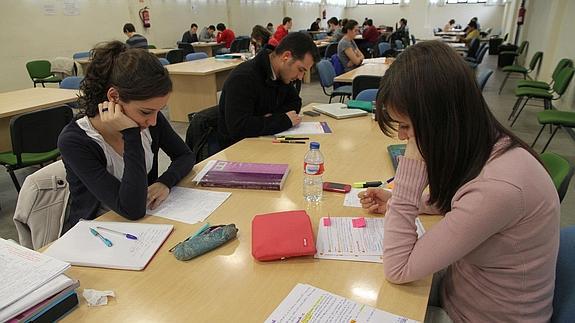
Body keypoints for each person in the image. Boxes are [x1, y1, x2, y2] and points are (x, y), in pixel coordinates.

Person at [358, 41, 559, 322]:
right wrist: (409, 203)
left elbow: (398, 269)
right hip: (464, 288)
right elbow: (466, 204)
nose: (403, 137)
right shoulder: (488, 144)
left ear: (438, 121)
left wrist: (405, 189)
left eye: (406, 126)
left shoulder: (498, 186)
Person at [58, 41, 195, 232]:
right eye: (146, 112)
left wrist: (165, 182)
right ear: (113, 97)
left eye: (159, 111)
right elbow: (132, 209)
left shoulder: (147, 118)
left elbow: (185, 156)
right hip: (97, 230)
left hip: (143, 222)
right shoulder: (75, 141)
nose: (154, 121)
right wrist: (131, 135)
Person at [218, 32, 320, 149]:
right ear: (286, 57)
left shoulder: (282, 75)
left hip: (265, 141)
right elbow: (239, 128)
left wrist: (268, 119)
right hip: (239, 149)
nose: (300, 77)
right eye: (300, 69)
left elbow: (295, 103)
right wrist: (282, 120)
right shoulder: (244, 77)